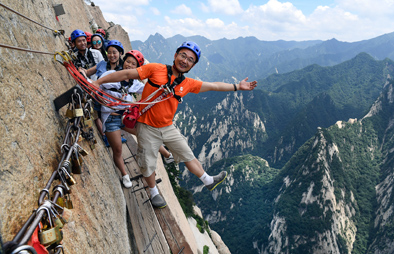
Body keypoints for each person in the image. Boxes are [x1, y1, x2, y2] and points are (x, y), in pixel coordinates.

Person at [93, 41, 257, 208]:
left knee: (187, 154)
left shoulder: (187, 84)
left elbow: (213, 86)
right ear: (175, 56)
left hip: (168, 127)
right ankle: (153, 192)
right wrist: (98, 83)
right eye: (183, 55)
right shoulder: (156, 69)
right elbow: (125, 75)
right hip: (147, 126)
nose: (185, 60)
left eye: (190, 59)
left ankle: (207, 180)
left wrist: (237, 86)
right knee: (147, 163)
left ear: (193, 65)